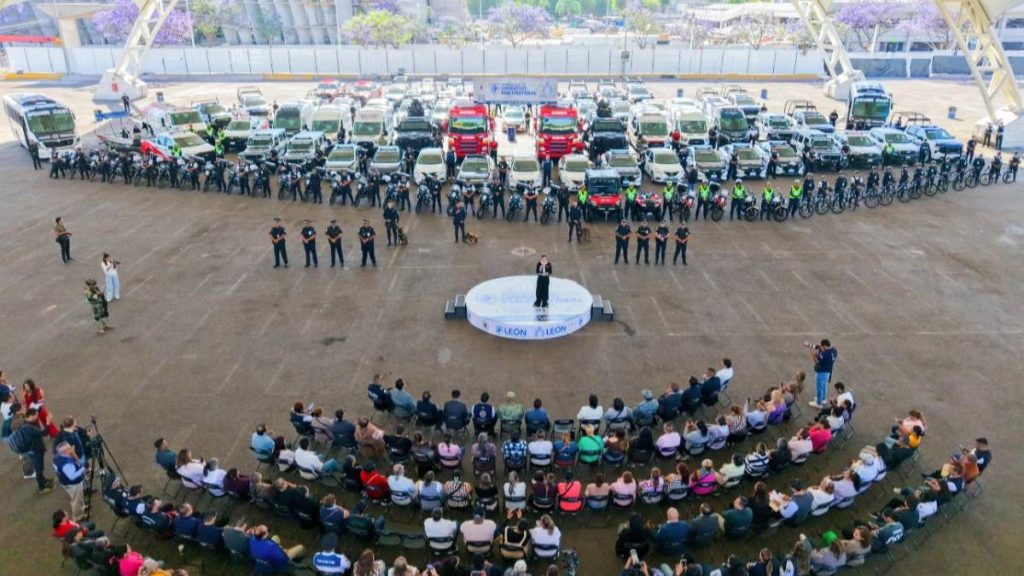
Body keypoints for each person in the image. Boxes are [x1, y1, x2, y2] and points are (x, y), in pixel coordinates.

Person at [53, 443, 86, 520]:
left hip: (65, 482)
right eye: (70, 448)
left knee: (78, 497)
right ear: (65, 451)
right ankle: (78, 516)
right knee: (76, 500)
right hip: (73, 484)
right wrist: (82, 469)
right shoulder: (66, 464)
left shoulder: (57, 457)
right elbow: (72, 476)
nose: (72, 447)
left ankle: (82, 507)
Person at [807, 339, 838, 408]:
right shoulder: (834, 350)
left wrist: (811, 352)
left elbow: (817, 361)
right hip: (828, 371)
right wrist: (812, 345)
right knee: (824, 386)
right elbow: (820, 348)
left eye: (821, 346)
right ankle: (823, 399)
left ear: (824, 346)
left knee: (819, 388)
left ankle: (818, 403)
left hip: (821, 372)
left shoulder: (825, 355)